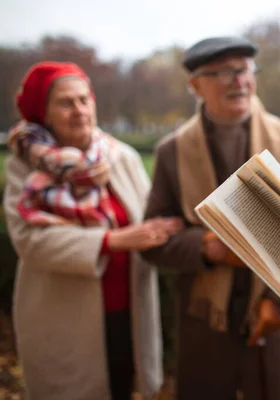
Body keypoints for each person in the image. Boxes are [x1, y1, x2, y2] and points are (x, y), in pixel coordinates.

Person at [141, 36, 280, 400]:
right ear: (195, 85)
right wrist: (204, 247)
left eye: (244, 70)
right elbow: (154, 241)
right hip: (205, 328)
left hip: (277, 322)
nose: (239, 81)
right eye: (224, 72)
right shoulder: (171, 151)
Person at [3, 62, 184, 400]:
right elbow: (29, 241)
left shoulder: (121, 156)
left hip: (128, 311)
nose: (80, 110)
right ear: (43, 112)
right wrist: (111, 240)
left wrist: (170, 228)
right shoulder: (22, 166)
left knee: (122, 387)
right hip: (63, 317)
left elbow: (148, 217)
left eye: (85, 99)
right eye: (66, 102)